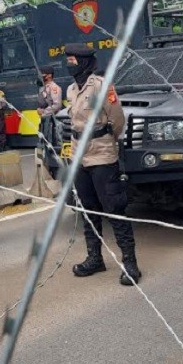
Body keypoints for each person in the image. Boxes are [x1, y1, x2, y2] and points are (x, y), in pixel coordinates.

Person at [63, 43, 140, 286]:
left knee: (114, 208)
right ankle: (94, 257)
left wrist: (105, 139)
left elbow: (117, 122)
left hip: (102, 155)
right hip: (79, 156)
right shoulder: (72, 89)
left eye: (73, 60)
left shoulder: (103, 87)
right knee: (88, 209)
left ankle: (130, 263)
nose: (69, 64)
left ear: (85, 62)